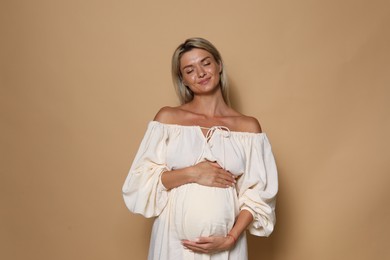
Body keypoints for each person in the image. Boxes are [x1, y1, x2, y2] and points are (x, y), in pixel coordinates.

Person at [122, 37, 278, 260]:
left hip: (226, 248)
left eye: (206, 63)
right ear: (183, 80)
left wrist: (231, 238)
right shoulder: (168, 119)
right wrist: (192, 173)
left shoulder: (248, 128)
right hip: (172, 244)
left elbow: (258, 195)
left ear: (219, 65)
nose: (201, 73)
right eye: (190, 70)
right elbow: (139, 182)